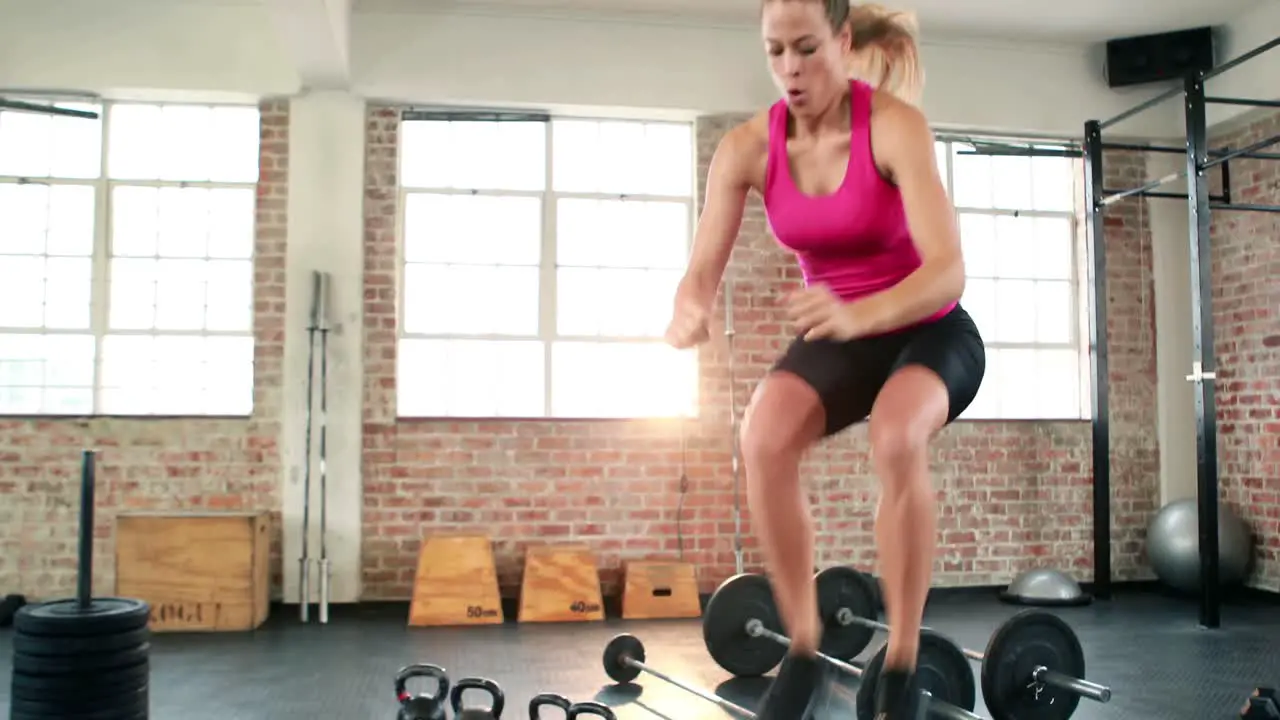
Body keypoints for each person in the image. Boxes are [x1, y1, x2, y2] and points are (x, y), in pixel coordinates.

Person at [663, 1, 986, 718]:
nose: (790, 69)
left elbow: (947, 272)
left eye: (807, 49)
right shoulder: (748, 147)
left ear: (842, 41)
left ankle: (900, 665)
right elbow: (700, 270)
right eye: (775, 51)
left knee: (897, 436)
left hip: (929, 329)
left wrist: (860, 312)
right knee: (763, 438)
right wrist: (690, 304)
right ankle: (803, 648)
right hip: (840, 336)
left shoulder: (896, 128)